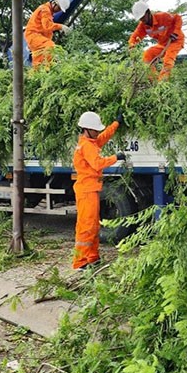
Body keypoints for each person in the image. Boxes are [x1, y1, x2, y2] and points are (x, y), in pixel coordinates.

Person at [72, 110, 126, 270]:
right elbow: (97, 163)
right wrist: (116, 158)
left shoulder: (90, 141)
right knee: (86, 226)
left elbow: (103, 138)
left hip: (90, 189)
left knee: (93, 225)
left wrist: (115, 124)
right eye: (95, 130)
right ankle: (80, 263)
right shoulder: (86, 146)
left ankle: (92, 258)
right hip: (86, 190)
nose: (97, 132)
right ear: (86, 129)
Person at [128, 1, 184, 80]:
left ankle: (162, 82)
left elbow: (177, 18)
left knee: (168, 59)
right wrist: (132, 46)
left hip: (175, 41)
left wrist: (176, 32)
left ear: (148, 12)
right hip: (163, 44)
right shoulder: (143, 26)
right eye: (140, 18)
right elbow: (134, 37)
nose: (142, 20)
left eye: (143, 17)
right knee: (147, 54)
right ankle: (153, 81)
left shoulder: (162, 16)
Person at [25, 0, 71, 69]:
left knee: (38, 63)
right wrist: (61, 27)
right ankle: (49, 69)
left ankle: (35, 77)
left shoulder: (48, 12)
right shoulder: (45, 10)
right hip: (33, 35)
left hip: (35, 37)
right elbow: (47, 26)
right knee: (50, 46)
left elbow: (46, 31)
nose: (58, 11)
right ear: (54, 3)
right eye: (58, 8)